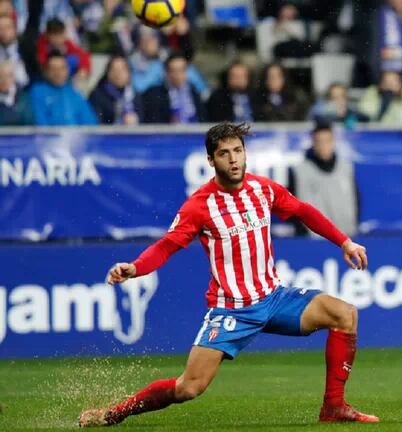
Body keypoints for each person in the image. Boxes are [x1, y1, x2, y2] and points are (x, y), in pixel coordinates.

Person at [78, 123, 379, 427]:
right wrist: (136, 267)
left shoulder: (262, 189)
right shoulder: (199, 205)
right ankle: (112, 415)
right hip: (233, 311)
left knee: (345, 314)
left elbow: (303, 211)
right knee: (188, 387)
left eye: (238, 151)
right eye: (224, 154)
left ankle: (334, 407)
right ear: (211, 160)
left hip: (275, 299)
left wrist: (344, 241)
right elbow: (167, 246)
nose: (233, 159)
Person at [291, 124, 359, 236]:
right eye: (319, 141)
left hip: (346, 238)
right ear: (313, 143)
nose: (323, 146)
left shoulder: (346, 168)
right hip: (314, 241)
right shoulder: (300, 171)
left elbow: (355, 200)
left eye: (327, 141)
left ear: (333, 141)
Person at [28, 51, 97, 125]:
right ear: (46, 71)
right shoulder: (37, 92)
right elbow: (40, 123)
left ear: (67, 70)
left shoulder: (74, 93)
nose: (58, 73)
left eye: (62, 68)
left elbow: (90, 122)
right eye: (53, 69)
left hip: (76, 135)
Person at [140, 52, 206, 124]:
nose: (178, 75)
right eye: (173, 71)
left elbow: (203, 118)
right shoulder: (155, 94)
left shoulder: (194, 92)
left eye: (182, 70)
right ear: (166, 72)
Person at [88, 54, 141, 125]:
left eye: (123, 69)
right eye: (114, 69)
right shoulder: (97, 96)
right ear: (108, 73)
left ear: (129, 73)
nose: (118, 74)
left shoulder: (135, 95)